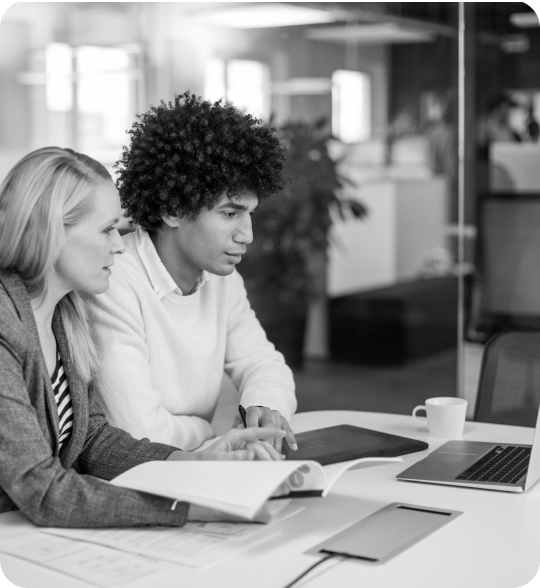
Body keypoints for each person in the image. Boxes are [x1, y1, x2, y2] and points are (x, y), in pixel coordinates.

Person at [0, 146, 286, 528]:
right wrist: (196, 507)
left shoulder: (65, 316)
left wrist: (195, 462)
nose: (119, 243)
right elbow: (45, 492)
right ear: (50, 231)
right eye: (105, 230)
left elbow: (93, 441)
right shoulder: (7, 325)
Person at [84, 92, 298, 452]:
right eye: (230, 214)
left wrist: (263, 406)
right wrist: (212, 434)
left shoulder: (220, 279)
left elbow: (262, 361)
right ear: (172, 210)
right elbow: (139, 433)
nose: (247, 235)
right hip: (136, 483)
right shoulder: (113, 281)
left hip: (196, 470)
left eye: (251, 214)